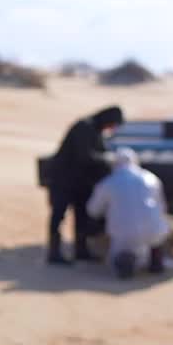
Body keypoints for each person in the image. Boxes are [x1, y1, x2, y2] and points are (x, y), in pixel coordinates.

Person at [46, 105, 124, 264]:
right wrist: (107, 159)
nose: (112, 128)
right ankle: (54, 253)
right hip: (63, 180)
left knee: (81, 216)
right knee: (58, 215)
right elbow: (86, 156)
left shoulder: (97, 131)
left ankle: (81, 250)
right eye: (113, 124)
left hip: (80, 183)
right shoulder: (84, 127)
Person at [86, 148, 170, 279]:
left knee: (120, 251)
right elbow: (162, 207)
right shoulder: (151, 178)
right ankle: (155, 260)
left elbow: (92, 210)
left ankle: (126, 264)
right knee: (154, 239)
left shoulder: (108, 182)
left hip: (122, 235)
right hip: (154, 231)